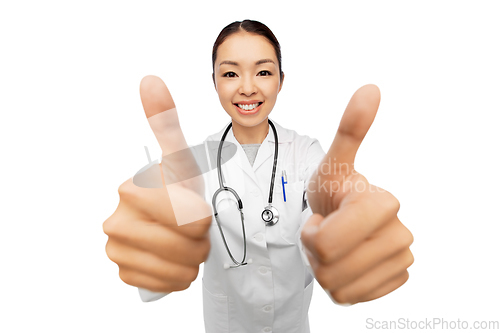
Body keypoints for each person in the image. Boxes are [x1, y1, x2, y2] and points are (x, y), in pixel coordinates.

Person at [103, 19, 414, 333]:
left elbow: (324, 215)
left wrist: (346, 229)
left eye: (263, 72)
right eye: (230, 73)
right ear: (214, 82)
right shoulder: (193, 166)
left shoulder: (305, 152)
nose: (247, 87)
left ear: (281, 81)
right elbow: (171, 250)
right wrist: (156, 247)